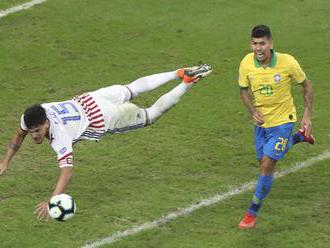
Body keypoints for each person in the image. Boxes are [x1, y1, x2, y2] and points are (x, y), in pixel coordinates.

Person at [0, 64, 212, 220]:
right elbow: (20, 134)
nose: (35, 135)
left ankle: (187, 81)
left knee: (150, 116)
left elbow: (67, 172)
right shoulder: (31, 117)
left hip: (104, 118)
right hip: (93, 98)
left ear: (46, 123)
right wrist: (5, 162)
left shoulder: (59, 136)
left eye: (38, 131)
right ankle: (178, 72)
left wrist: (52, 200)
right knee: (132, 88)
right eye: (33, 132)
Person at [238, 25, 314, 229]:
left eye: (262, 43)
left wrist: (307, 114)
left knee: (267, 164)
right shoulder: (246, 63)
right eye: (255, 43)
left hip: (283, 120)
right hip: (262, 122)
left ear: (271, 44)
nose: (258, 48)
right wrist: (252, 110)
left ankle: (252, 212)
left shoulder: (287, 62)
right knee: (261, 159)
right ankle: (300, 137)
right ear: (250, 44)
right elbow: (243, 90)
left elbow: (306, 85)